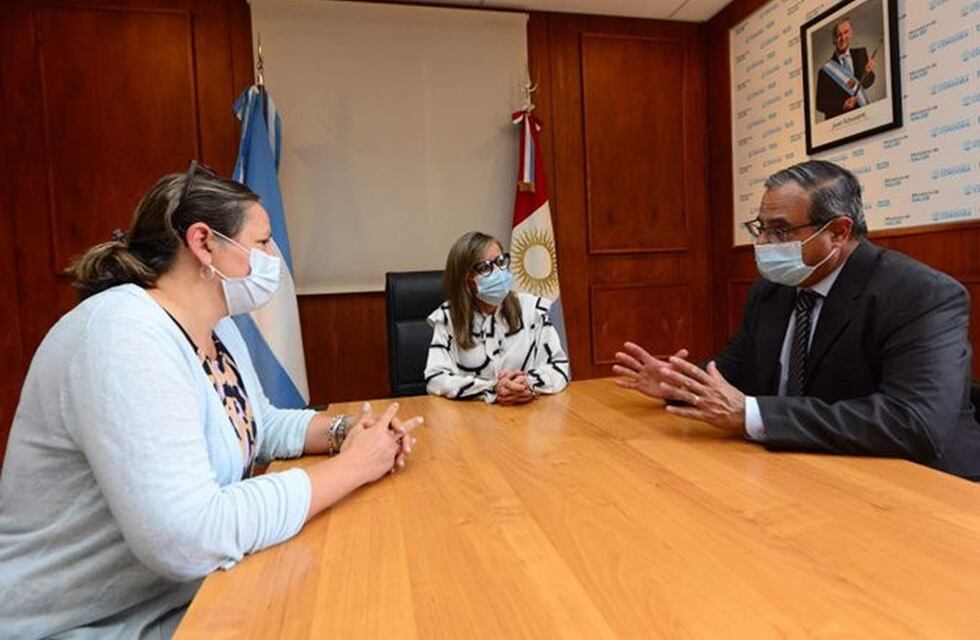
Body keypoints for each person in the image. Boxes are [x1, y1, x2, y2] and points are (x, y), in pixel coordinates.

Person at [0, 162, 423, 638]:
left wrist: (349, 433)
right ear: (203, 243)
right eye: (262, 242)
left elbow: (257, 423)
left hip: (182, 600)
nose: (274, 257)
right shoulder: (123, 337)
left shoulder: (215, 325)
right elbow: (189, 535)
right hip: (85, 624)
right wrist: (351, 469)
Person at [614, 160, 980, 480]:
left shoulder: (921, 294)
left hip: (920, 482)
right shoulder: (771, 291)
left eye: (781, 230)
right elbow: (731, 373)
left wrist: (753, 415)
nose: (764, 243)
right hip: (809, 469)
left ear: (838, 231)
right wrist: (680, 385)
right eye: (761, 228)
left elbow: (914, 423)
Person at [425, 231, 570, 404]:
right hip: (470, 419)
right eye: (485, 267)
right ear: (465, 277)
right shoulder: (448, 317)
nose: (498, 272)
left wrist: (528, 384)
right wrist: (492, 387)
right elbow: (435, 379)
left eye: (501, 262)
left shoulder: (532, 309)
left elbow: (560, 367)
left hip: (527, 416)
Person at [815, 17, 877, 119]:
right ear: (834, 40)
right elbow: (820, 104)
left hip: (861, 116)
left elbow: (866, 84)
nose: (843, 38)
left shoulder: (861, 54)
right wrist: (842, 106)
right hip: (839, 122)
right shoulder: (825, 70)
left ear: (851, 33)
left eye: (846, 32)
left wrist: (868, 72)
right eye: (838, 35)